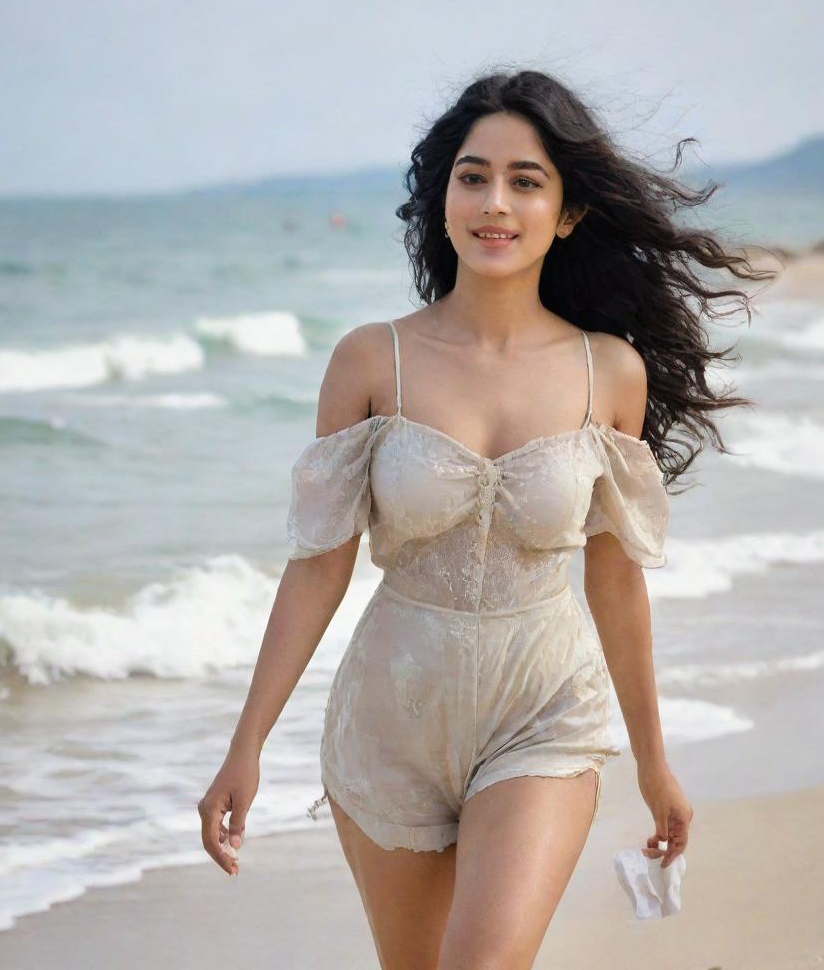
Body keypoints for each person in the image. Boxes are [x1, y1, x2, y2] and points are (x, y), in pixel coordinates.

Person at [198, 67, 774, 968]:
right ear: (443, 200)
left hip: (542, 709)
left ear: (568, 212)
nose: (494, 202)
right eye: (472, 176)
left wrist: (654, 760)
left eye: (525, 180)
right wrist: (245, 745)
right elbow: (319, 562)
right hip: (391, 717)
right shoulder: (371, 359)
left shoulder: (608, 372)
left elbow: (614, 576)